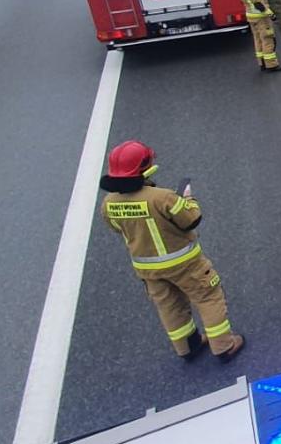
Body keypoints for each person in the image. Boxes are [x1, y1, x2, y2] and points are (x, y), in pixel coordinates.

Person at [99, 140, 246, 361]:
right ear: (144, 168)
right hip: (185, 264)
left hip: (147, 270)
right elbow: (191, 219)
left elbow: (116, 228)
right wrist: (188, 199)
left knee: (170, 307)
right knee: (208, 297)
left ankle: (188, 347)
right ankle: (224, 346)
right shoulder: (162, 197)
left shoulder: (108, 203)